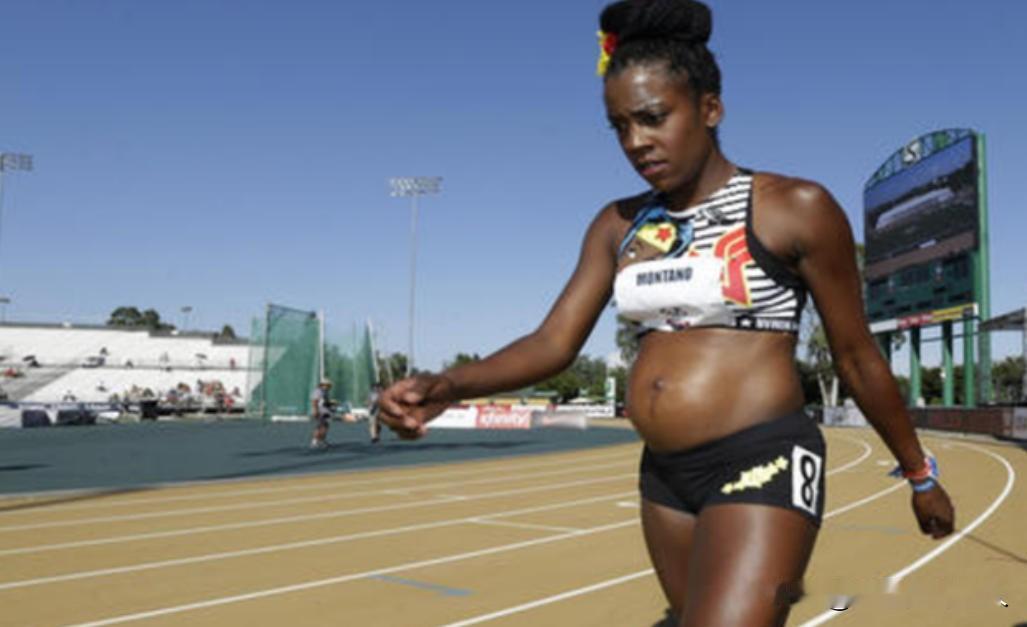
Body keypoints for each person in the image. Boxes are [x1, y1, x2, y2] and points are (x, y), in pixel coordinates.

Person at [377, 1, 955, 625]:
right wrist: (449, 385)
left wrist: (919, 474)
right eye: (619, 127)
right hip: (665, 478)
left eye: (653, 118)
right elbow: (552, 342)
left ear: (710, 108)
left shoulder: (793, 207)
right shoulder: (618, 224)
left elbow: (855, 356)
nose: (636, 142)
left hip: (764, 457)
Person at [310, 379, 334, 450]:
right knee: (322, 426)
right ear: (322, 385)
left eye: (329, 386)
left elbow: (325, 402)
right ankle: (316, 441)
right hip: (321, 412)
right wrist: (315, 411)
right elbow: (314, 401)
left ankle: (320, 441)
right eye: (327, 385)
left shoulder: (325, 392)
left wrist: (331, 405)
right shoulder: (318, 391)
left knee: (324, 426)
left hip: (325, 411)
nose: (329, 387)